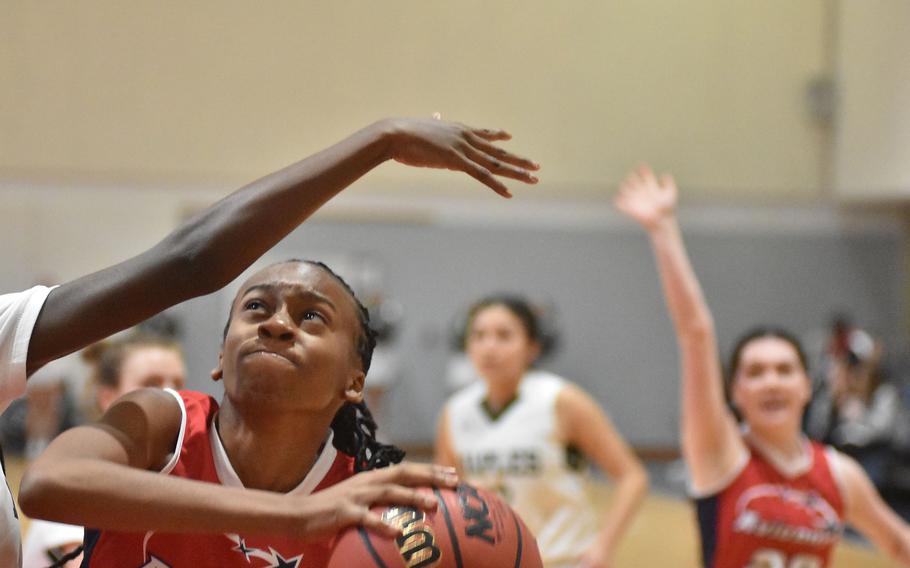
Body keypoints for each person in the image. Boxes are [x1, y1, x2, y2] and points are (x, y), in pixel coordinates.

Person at [1, 115, 539, 567]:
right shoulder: (165, 425)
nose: (277, 324)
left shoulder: (369, 507)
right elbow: (48, 484)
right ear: (219, 355)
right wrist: (292, 517)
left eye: (312, 317)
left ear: (357, 378)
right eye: (255, 307)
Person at [615, 165, 910, 567]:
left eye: (784, 370)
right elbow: (696, 333)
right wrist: (662, 228)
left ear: (807, 385)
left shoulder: (841, 475)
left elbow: (898, 543)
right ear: (735, 393)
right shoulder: (719, 453)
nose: (771, 381)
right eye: (755, 372)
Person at [435, 294, 648, 568]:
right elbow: (444, 497)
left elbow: (633, 476)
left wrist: (603, 547)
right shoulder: (454, 412)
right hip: (492, 561)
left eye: (504, 336)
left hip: (562, 559)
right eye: (479, 336)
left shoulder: (562, 400)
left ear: (532, 347)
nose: (489, 347)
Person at [21, 334, 187, 568]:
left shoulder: (182, 479)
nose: (171, 395)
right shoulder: (72, 480)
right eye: (152, 384)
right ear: (109, 398)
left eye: (178, 384)